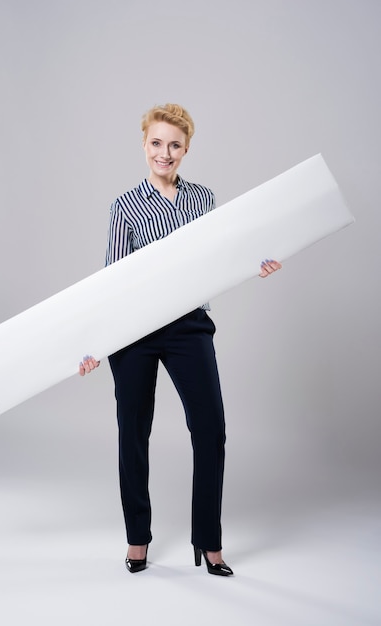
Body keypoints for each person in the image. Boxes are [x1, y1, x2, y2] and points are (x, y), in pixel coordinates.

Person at [79, 104, 282, 576]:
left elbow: (221, 255)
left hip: (189, 325)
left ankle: (208, 542)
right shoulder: (124, 206)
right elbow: (111, 280)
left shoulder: (203, 198)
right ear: (144, 145)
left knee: (210, 427)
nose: (164, 153)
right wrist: (93, 344)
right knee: (133, 431)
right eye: (156, 143)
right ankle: (137, 539)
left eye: (174, 144)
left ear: (186, 149)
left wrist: (258, 263)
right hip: (135, 332)